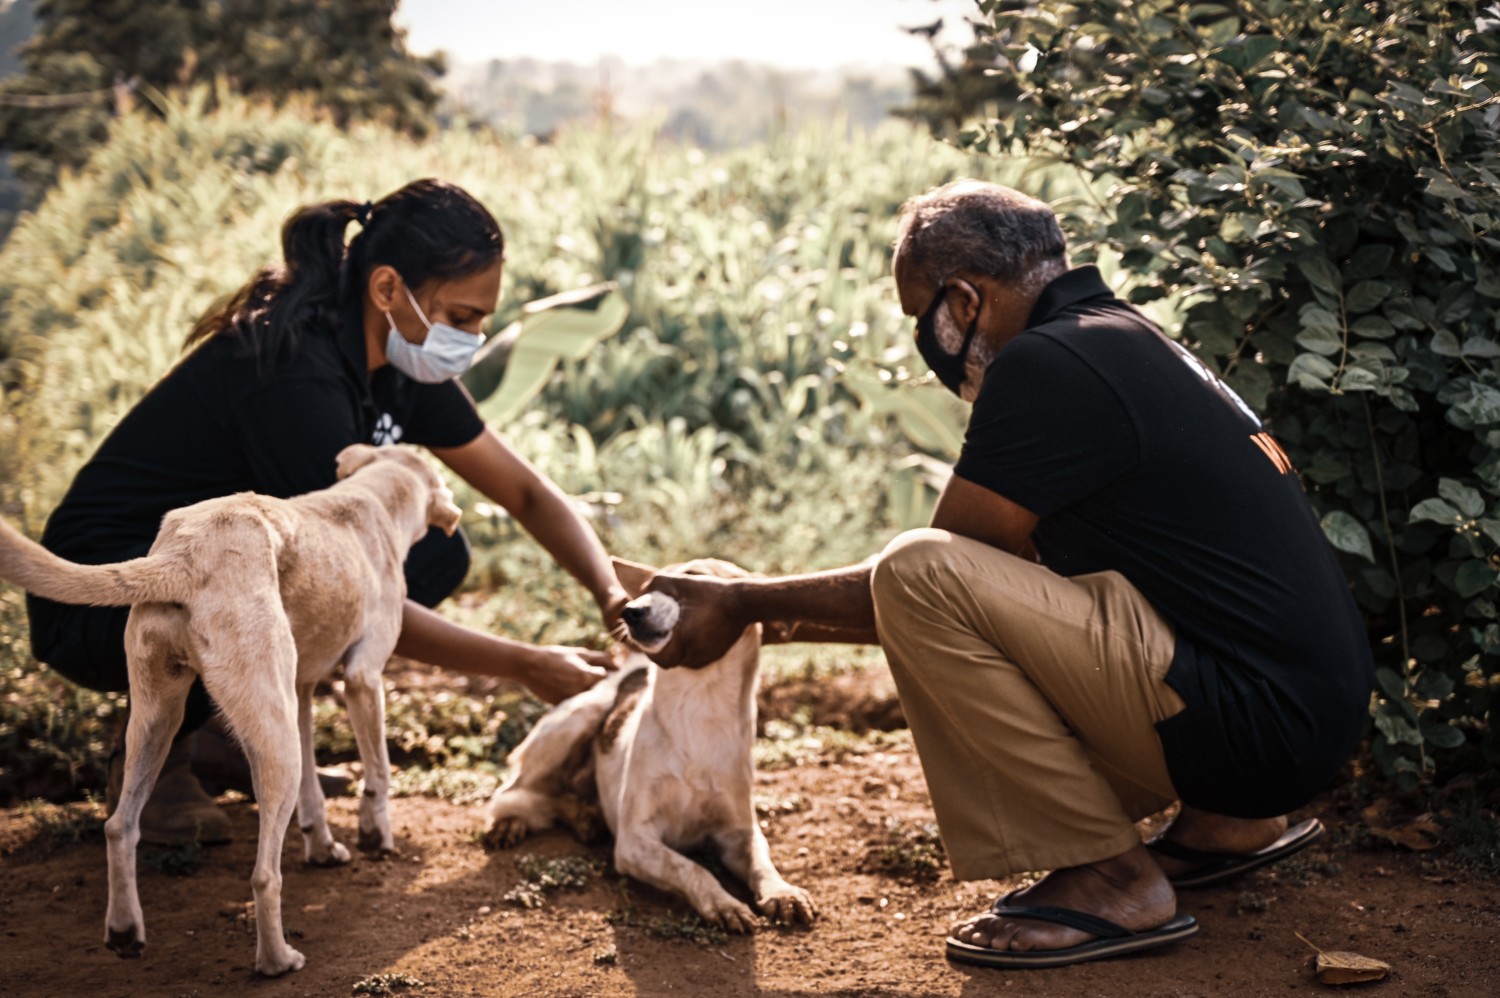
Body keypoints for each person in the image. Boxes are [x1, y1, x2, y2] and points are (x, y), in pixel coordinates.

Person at [639, 180, 1374, 968]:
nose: (927, 342)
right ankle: (1226, 825)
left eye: (922, 318)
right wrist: (756, 615)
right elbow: (1013, 586)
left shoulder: (1046, 364)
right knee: (948, 576)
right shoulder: (1122, 338)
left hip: (1253, 731)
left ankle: (1110, 877)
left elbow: (935, 581)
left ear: (964, 299)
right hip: (1300, 724)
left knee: (919, 568)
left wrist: (745, 599)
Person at [25, 178, 627, 845]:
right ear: (388, 289)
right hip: (101, 598)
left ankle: (234, 731)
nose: (474, 337)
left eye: (482, 320)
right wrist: (524, 663)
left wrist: (612, 596)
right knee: (303, 582)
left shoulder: (400, 361)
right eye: (461, 318)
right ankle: (159, 751)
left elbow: (526, 493)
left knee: (434, 551)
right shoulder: (295, 375)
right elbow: (350, 591)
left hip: (205, 573)